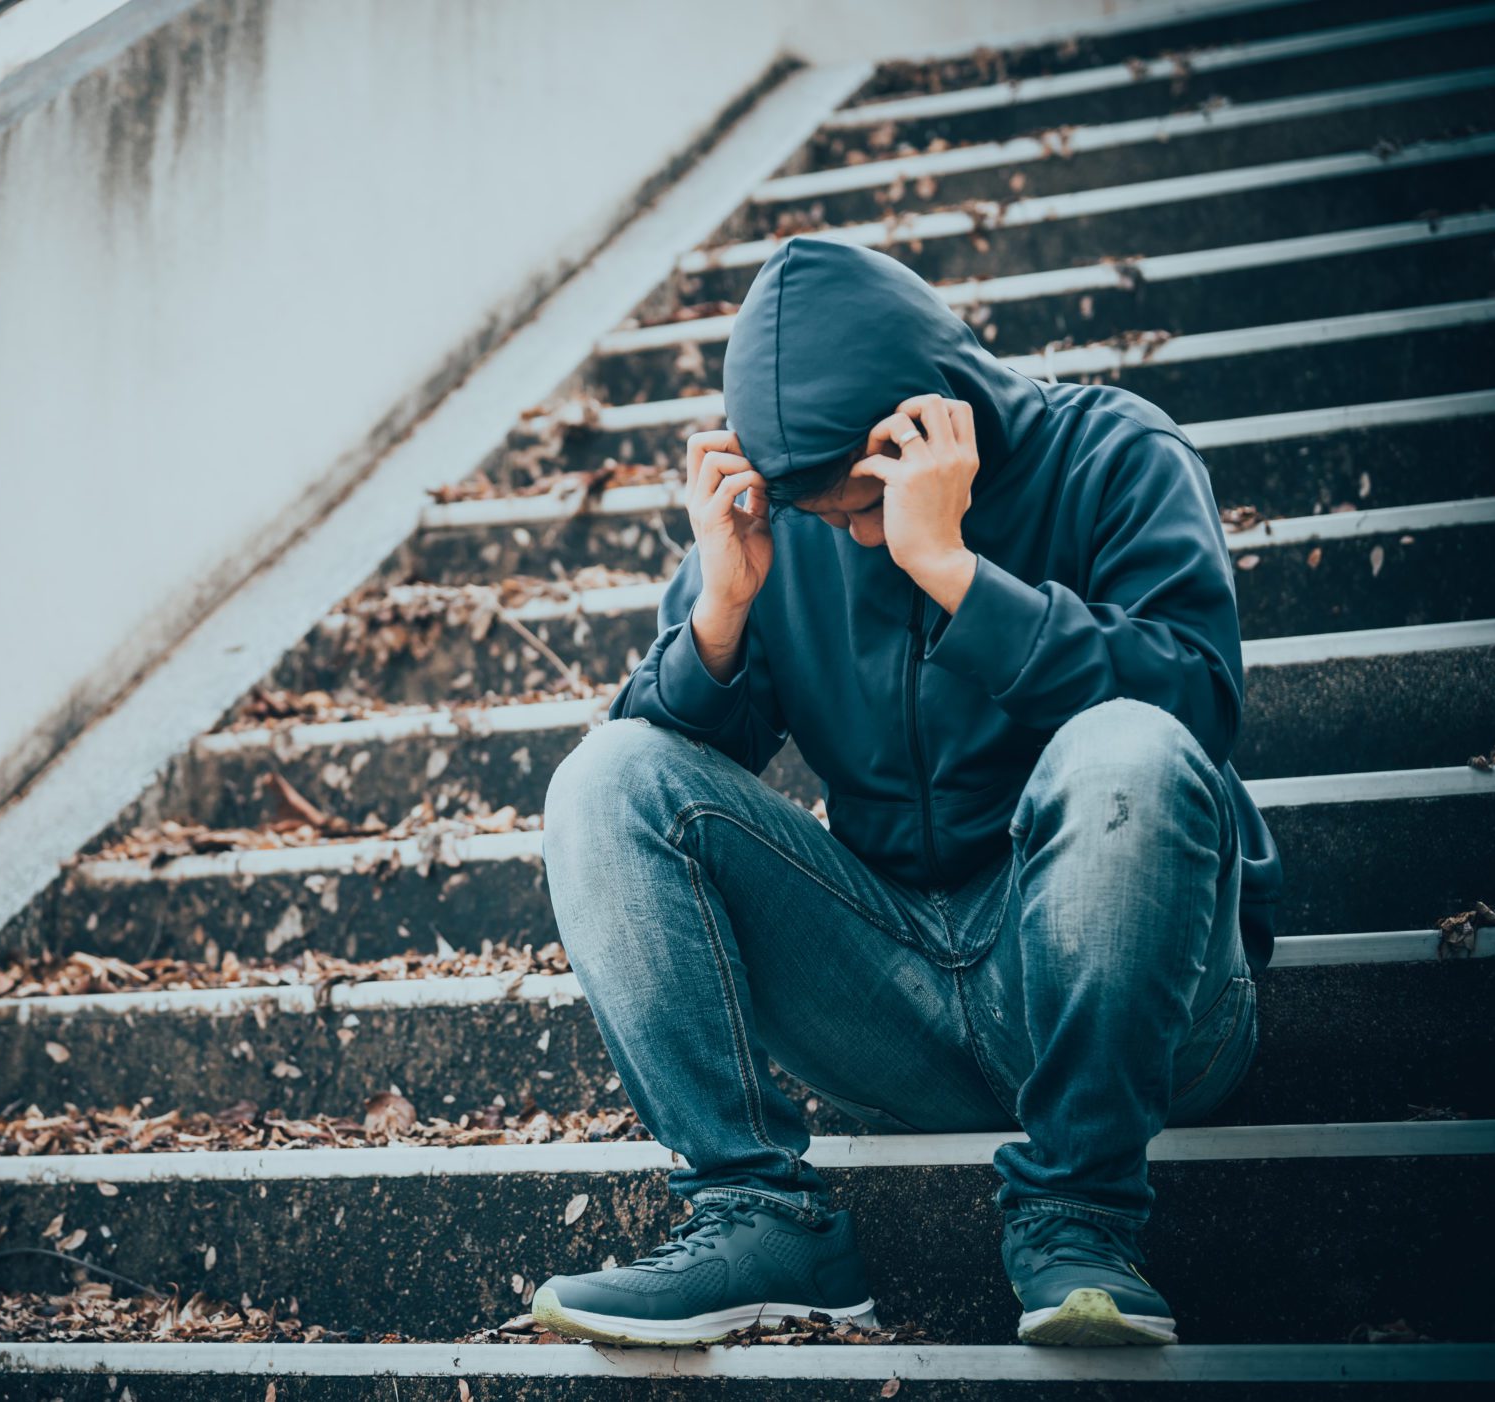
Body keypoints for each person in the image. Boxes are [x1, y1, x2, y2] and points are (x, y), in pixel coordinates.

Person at [531, 237, 1282, 1348]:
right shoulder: (784, 527)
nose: (854, 539)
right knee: (603, 775)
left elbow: (1194, 705)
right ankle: (761, 1216)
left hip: (1132, 992)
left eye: (864, 509)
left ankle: (1077, 1216)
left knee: (1125, 746)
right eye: (828, 519)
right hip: (898, 995)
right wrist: (722, 613)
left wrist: (957, 574)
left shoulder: (1114, 453)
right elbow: (659, 802)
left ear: (933, 425)